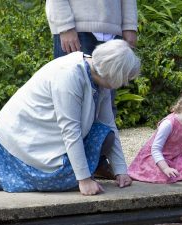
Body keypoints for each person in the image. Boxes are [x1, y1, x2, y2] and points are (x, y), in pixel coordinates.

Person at [0, 40, 141, 195]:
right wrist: (84, 180)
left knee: (107, 136)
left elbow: (108, 124)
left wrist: (120, 170)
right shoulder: (69, 75)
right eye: (125, 79)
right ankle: (6, 178)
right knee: (64, 180)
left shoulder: (100, 75)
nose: (125, 84)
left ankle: (91, 169)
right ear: (114, 74)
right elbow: (70, 131)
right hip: (20, 139)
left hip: (46, 135)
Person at [45, 0, 138, 179]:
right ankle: (62, 167)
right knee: (68, 111)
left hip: (113, 30)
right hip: (77, 28)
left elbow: (108, 120)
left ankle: (96, 163)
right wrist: (64, 25)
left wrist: (129, 25)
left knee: (106, 106)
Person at [128, 87, 182, 184]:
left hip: (175, 157)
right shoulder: (169, 124)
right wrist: (165, 168)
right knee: (164, 175)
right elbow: (155, 149)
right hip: (156, 158)